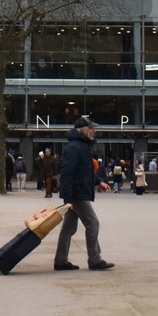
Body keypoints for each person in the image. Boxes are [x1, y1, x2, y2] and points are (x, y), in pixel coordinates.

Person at [53, 116, 114, 271]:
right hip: (77, 194)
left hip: (76, 193)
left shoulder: (81, 146)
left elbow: (85, 171)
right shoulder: (76, 147)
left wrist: (98, 182)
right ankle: (94, 259)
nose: (94, 131)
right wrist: (68, 198)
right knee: (92, 223)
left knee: (68, 228)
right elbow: (67, 173)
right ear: (84, 130)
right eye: (92, 128)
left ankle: (60, 260)